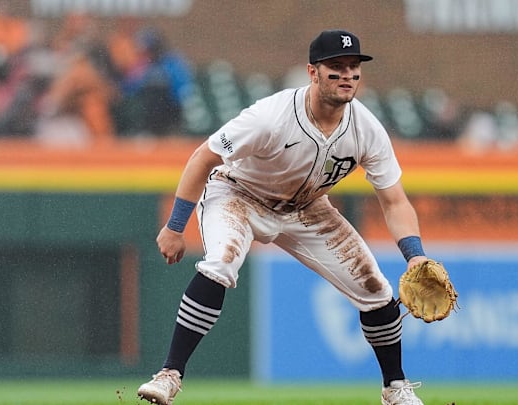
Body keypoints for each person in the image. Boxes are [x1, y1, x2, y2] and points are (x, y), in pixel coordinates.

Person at [138, 29, 434, 405]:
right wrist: (175, 226)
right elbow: (203, 157)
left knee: (376, 290)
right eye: (336, 67)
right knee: (221, 263)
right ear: (313, 72)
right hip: (239, 194)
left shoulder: (366, 129)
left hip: (307, 208)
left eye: (354, 67)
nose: (347, 75)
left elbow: (394, 201)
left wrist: (415, 254)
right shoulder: (270, 117)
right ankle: (168, 375)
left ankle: (396, 390)